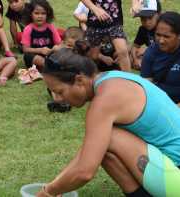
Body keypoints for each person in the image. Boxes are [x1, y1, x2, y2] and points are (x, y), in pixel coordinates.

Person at [36, 47, 180, 197]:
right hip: (170, 174)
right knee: (100, 146)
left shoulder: (104, 101)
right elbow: (86, 154)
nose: (58, 99)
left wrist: (48, 192)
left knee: (108, 140)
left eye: (60, 92)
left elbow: (84, 171)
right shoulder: (113, 77)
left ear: (79, 80)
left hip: (176, 178)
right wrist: (58, 184)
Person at [80, 0, 140, 71]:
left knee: (122, 51)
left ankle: (128, 79)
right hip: (95, 22)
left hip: (114, 21)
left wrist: (135, 3)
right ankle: (91, 76)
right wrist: (95, 9)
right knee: (93, 56)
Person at [141, 11, 180, 104]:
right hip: (160, 104)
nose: (161, 41)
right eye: (158, 35)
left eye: (167, 36)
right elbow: (146, 85)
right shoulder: (151, 52)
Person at [21, 0, 62, 70]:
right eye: (36, 13)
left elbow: (59, 44)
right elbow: (25, 49)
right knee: (27, 56)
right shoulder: (28, 29)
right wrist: (40, 50)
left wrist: (55, 48)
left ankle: (48, 67)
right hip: (35, 56)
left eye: (43, 13)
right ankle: (50, 67)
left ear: (47, 14)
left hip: (49, 56)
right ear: (31, 14)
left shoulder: (51, 27)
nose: (40, 16)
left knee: (59, 54)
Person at [131, 0, 161, 70]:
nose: (147, 22)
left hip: (164, 56)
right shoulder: (143, 29)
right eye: (143, 18)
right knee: (129, 53)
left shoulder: (164, 28)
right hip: (152, 55)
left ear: (158, 14)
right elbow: (135, 47)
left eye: (150, 18)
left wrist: (148, 49)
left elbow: (168, 49)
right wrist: (135, 59)